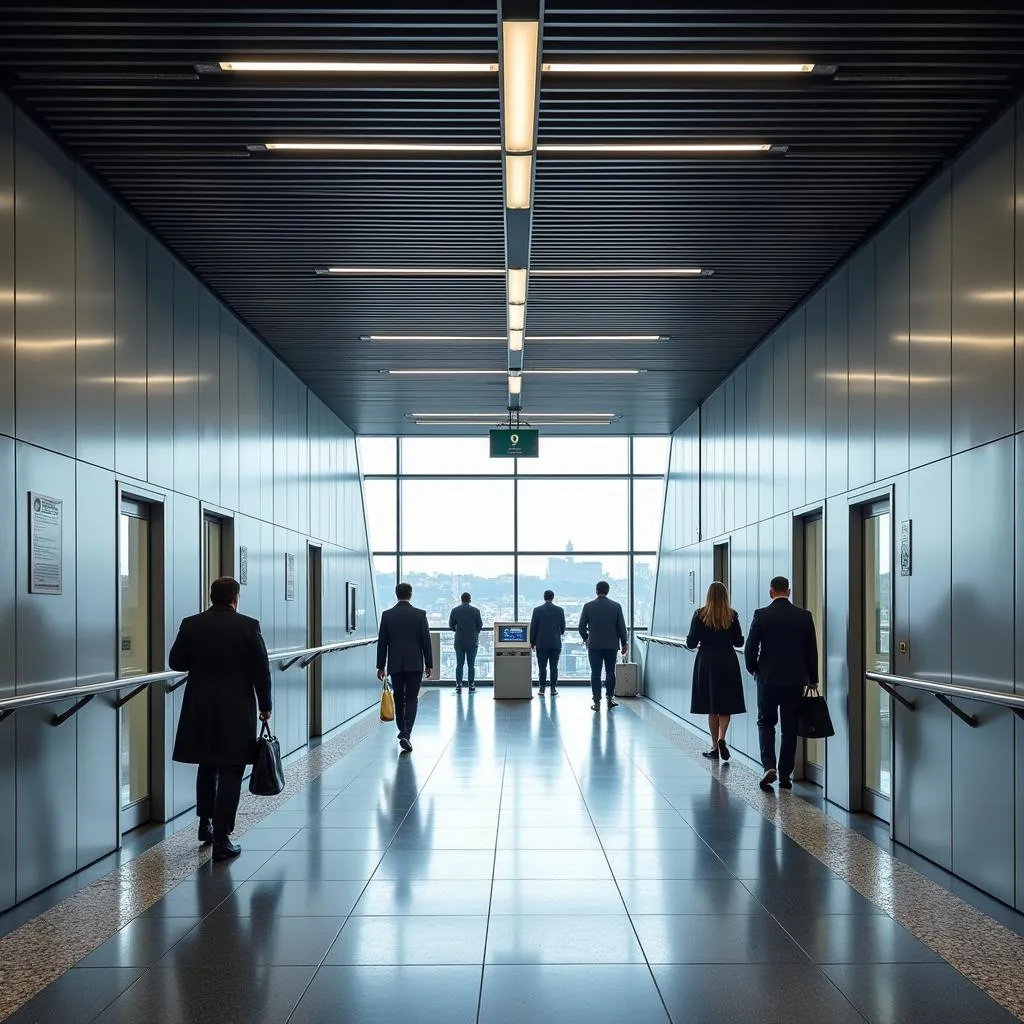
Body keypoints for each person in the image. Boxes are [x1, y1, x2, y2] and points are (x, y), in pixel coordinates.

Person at [169, 576, 272, 862]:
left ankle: (205, 823)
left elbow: (176, 662)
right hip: (237, 709)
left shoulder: (191, 624)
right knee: (231, 771)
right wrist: (265, 705)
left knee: (207, 764)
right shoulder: (248, 626)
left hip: (200, 706)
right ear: (235, 598)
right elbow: (260, 670)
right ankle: (223, 838)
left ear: (211, 596)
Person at [744, 575, 820, 791]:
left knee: (766, 722)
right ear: (789, 591)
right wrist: (812, 679)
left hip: (767, 678)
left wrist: (754, 670)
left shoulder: (761, 615)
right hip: (795, 680)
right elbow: (810, 651)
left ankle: (769, 766)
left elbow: (751, 648)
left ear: (771, 592)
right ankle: (785, 774)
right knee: (789, 727)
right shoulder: (804, 617)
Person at [685, 582, 746, 761]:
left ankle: (714, 747)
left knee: (712, 705)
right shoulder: (732, 615)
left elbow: (691, 642)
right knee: (725, 704)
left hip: (707, 661)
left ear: (708, 595)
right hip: (727, 660)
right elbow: (739, 642)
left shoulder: (700, 614)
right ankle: (722, 738)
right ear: (725, 596)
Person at [377, 582, 433, 752]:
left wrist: (380, 665)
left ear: (396, 594)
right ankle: (406, 734)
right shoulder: (420, 615)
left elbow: (383, 643)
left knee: (398, 698)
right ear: (411, 594)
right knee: (412, 698)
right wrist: (429, 664)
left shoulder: (387, 615)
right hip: (415, 663)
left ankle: (402, 730)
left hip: (395, 663)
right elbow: (426, 641)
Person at [578, 580, 628, 712]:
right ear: (608, 591)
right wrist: (624, 643)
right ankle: (610, 698)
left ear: (596, 590)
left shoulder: (588, 606)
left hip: (594, 645)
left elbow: (581, 627)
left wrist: (586, 638)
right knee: (610, 672)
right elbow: (621, 627)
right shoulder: (616, 606)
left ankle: (597, 702)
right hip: (611, 645)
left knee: (596, 673)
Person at [530, 589, 566, 696]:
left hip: (541, 643)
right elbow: (563, 629)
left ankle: (542, 689)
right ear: (553, 597)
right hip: (555, 643)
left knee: (542, 667)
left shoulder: (537, 610)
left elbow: (533, 628)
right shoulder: (560, 610)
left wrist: (532, 642)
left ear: (544, 597)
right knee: (554, 667)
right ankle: (553, 689)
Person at [448, 591, 483, 693]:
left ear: (461, 599)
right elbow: (479, 626)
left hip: (459, 641)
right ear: (470, 599)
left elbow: (451, 625)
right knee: (471, 665)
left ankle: (458, 684)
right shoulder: (476, 611)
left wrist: (458, 630)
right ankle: (471, 684)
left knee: (459, 664)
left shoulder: (455, 610)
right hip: (472, 641)